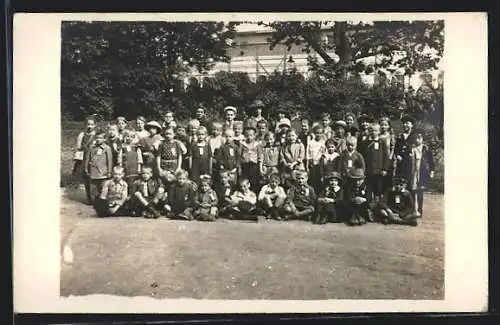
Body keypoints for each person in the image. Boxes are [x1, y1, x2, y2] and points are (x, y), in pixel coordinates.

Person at [408, 128, 435, 217]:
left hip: (422, 172)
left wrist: (431, 171)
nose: (417, 140)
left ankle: (420, 210)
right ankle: (412, 209)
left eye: (419, 138)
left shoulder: (426, 149)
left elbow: (431, 162)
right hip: (413, 172)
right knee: (412, 191)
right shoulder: (411, 149)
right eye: (415, 138)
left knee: (420, 192)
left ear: (423, 139)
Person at [71, 115, 97, 204]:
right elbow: (78, 147)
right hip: (84, 157)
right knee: (86, 177)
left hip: (93, 158)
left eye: (92, 124)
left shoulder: (97, 135)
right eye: (88, 124)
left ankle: (95, 197)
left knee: (94, 177)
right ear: (85, 125)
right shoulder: (82, 134)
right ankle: (89, 197)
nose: (89, 126)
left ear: (95, 125)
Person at [84, 130, 113, 202]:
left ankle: (102, 201)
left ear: (104, 139)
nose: (98, 139)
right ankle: (95, 201)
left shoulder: (107, 148)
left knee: (103, 187)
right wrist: (86, 168)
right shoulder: (92, 147)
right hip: (93, 172)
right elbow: (87, 159)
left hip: (103, 172)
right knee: (94, 188)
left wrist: (109, 172)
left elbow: (109, 161)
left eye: (100, 138)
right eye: (96, 138)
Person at [364, 123, 390, 203]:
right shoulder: (366, 142)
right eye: (371, 130)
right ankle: (368, 208)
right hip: (368, 171)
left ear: (379, 132)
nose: (373, 132)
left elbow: (386, 156)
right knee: (368, 190)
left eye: (375, 131)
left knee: (377, 191)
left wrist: (384, 169)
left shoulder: (382, 142)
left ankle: (378, 208)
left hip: (378, 171)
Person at [394, 115, 416, 182]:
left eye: (407, 123)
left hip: (411, 161)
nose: (405, 125)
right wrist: (397, 155)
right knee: (401, 179)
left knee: (411, 179)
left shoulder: (415, 136)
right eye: (404, 123)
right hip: (401, 161)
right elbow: (396, 148)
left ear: (412, 125)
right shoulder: (400, 136)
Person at [240, 126, 260, 192]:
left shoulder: (257, 144)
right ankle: (245, 193)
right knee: (245, 179)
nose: (249, 137)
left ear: (254, 136)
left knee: (254, 180)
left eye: (251, 135)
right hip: (245, 164)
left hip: (254, 164)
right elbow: (240, 154)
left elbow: (260, 155)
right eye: (247, 135)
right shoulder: (243, 144)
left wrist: (260, 165)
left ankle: (254, 193)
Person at [307, 125, 326, 193]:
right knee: (313, 179)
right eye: (317, 133)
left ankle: (320, 193)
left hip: (321, 164)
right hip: (313, 164)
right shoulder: (311, 143)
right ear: (314, 133)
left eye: (320, 133)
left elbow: (325, 153)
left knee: (320, 179)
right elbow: (308, 154)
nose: (319, 135)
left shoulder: (323, 143)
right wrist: (309, 162)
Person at [379, 116, 396, 191]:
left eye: (385, 125)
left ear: (389, 126)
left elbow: (392, 148)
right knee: (380, 180)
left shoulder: (390, 136)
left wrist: (390, 158)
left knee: (388, 179)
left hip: (389, 159)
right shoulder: (378, 136)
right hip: (380, 159)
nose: (383, 127)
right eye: (382, 125)